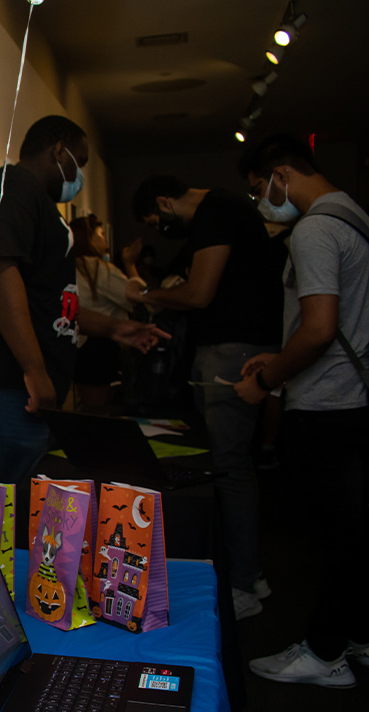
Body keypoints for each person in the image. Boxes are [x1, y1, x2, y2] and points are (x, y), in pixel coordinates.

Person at [0, 116, 168, 485]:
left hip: (22, 387)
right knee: (4, 507)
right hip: (7, 382)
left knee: (21, 504)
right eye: (79, 162)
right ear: (59, 151)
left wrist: (114, 328)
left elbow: (48, 304)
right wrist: (35, 369)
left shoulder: (37, 201)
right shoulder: (13, 187)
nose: (79, 175)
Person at [232, 134, 369, 688]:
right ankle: (356, 636)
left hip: (327, 407)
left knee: (337, 538)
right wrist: (282, 352)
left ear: (281, 175)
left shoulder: (312, 229)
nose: (262, 201)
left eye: (259, 190)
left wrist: (266, 378)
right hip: (354, 400)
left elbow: (317, 329)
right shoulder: (354, 215)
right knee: (355, 532)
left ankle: (324, 651)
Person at [129, 174, 285, 620]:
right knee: (231, 464)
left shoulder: (217, 212)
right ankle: (247, 571)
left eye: (155, 220)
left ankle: (242, 584)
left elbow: (198, 293)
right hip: (233, 347)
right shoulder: (220, 214)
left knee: (230, 465)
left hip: (232, 351)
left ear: (164, 201)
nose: (159, 229)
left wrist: (150, 296)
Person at [71, 214, 146, 410]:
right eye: (101, 234)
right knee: (98, 408)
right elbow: (138, 296)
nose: (105, 240)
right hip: (99, 346)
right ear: (89, 239)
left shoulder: (68, 266)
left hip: (78, 345)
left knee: (86, 406)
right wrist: (130, 265)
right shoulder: (96, 268)